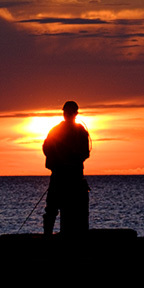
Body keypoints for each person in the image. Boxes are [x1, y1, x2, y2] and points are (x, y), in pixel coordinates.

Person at [42, 100, 90, 235]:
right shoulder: (73, 131)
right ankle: (51, 236)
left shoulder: (78, 131)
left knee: (64, 209)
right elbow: (47, 148)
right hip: (65, 176)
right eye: (67, 112)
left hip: (67, 176)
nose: (68, 115)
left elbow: (84, 153)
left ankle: (57, 236)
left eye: (69, 112)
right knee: (55, 208)